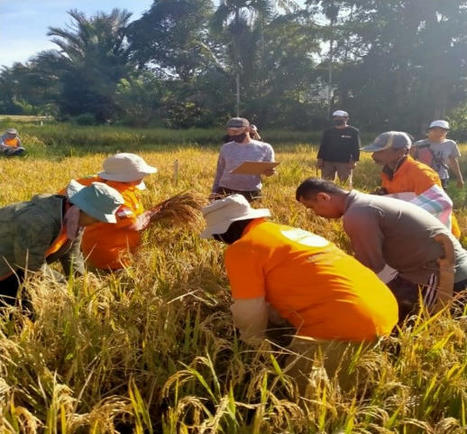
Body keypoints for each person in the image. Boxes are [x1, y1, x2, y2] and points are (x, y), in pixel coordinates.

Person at [296, 178, 467, 321]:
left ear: (323, 197)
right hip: (432, 268)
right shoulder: (365, 203)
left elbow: (371, 266)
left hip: (443, 276)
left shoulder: (357, 214)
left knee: (403, 324)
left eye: (312, 207)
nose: (316, 214)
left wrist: (329, 287)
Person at [0, 180, 124, 307]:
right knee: (19, 314)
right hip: (7, 267)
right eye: (96, 218)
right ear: (82, 209)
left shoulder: (74, 220)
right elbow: (30, 263)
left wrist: (83, 285)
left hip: (16, 267)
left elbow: (73, 257)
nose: (97, 223)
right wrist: (61, 284)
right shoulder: (41, 221)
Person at [61, 153, 158, 270]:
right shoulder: (115, 196)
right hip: (111, 256)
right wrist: (151, 214)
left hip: (112, 249)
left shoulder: (117, 186)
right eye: (141, 173)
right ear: (126, 176)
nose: (144, 176)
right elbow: (132, 225)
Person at [361, 131, 461, 238]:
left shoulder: (421, 173)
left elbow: (437, 207)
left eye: (380, 151)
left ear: (401, 151)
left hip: (438, 238)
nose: (373, 155)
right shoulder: (389, 172)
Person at [211, 117, 275, 202]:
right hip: (225, 190)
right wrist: (214, 192)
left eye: (236, 132)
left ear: (247, 129)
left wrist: (269, 172)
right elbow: (219, 171)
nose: (233, 135)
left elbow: (269, 171)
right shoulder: (225, 148)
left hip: (251, 192)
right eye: (230, 132)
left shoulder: (265, 148)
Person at [411, 120, 464, 190]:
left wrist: (459, 178)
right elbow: (410, 161)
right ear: (429, 131)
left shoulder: (451, 144)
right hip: (422, 177)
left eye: (442, 131)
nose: (438, 133)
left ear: (446, 132)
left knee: (439, 200)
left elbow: (453, 162)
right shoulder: (418, 144)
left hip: (441, 178)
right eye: (435, 130)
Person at [317, 110, 360, 183]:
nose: (337, 119)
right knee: (326, 183)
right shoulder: (328, 132)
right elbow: (323, 146)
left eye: (340, 117)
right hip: (327, 161)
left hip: (344, 162)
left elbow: (356, 148)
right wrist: (320, 159)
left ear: (346, 119)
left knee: (344, 183)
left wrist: (354, 160)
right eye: (335, 117)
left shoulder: (353, 131)